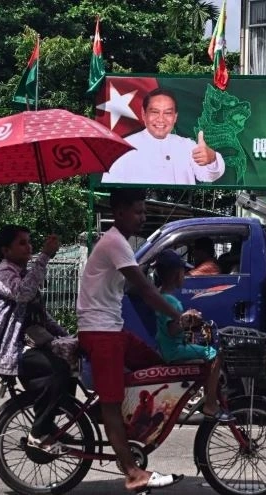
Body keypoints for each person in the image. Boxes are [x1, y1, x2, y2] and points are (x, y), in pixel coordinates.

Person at [76, 189, 195, 492]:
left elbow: (132, 287)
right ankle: (132, 472)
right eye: (138, 212)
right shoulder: (115, 242)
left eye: (144, 212)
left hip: (111, 330)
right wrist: (176, 316)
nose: (143, 217)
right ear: (119, 212)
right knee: (112, 405)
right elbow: (144, 290)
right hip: (101, 333)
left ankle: (127, 426)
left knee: (158, 365)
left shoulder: (122, 245)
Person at [0, 225, 72, 454]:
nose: (28, 247)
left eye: (29, 241)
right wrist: (45, 256)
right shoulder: (2, 274)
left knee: (71, 362)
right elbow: (23, 293)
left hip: (26, 345)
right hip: (7, 350)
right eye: (22, 243)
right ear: (5, 250)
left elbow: (41, 316)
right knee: (58, 368)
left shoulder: (20, 272)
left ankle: (49, 421)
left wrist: (67, 336)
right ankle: (39, 433)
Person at [153, 249, 233, 421]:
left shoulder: (162, 296)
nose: (185, 276)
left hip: (170, 347)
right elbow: (172, 329)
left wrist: (188, 318)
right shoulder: (170, 300)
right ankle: (211, 404)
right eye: (184, 272)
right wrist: (187, 321)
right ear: (176, 275)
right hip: (174, 350)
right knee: (215, 355)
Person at [101, 88, 225, 185]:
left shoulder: (187, 146)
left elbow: (209, 176)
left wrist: (212, 158)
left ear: (175, 117)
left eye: (168, 113)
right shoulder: (123, 147)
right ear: (144, 114)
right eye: (155, 112)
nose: (161, 119)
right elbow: (110, 189)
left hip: (181, 214)